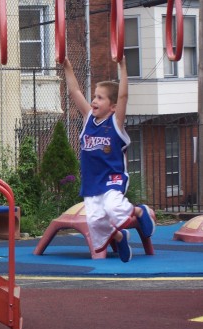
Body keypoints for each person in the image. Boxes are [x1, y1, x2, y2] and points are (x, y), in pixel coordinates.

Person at [62, 56, 155, 263]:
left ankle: (139, 211)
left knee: (114, 208)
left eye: (100, 98)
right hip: (92, 183)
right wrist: (67, 66)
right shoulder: (88, 120)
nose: (94, 101)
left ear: (112, 107)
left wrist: (122, 65)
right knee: (95, 222)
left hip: (112, 179)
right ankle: (120, 237)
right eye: (94, 96)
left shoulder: (116, 123)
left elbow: (123, 96)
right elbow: (75, 92)